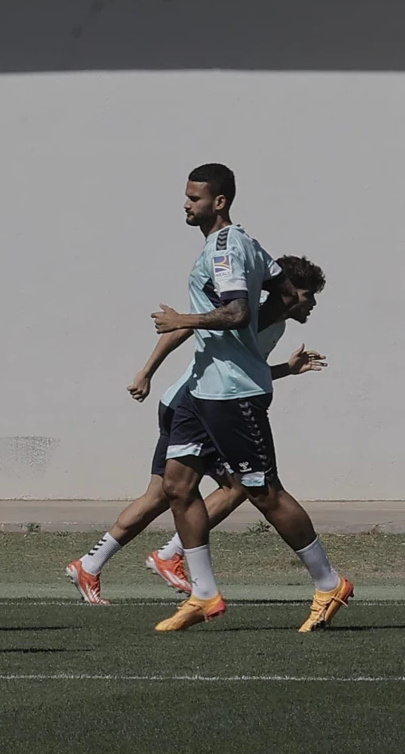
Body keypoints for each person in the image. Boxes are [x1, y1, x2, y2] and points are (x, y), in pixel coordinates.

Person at [149, 164, 352, 632]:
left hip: (232, 392)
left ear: (219, 202)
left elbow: (239, 311)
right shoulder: (247, 243)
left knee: (262, 491)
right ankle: (203, 594)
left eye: (195, 198)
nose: (186, 204)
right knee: (178, 486)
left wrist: (188, 319)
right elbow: (281, 283)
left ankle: (329, 582)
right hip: (202, 389)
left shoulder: (225, 248)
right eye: (186, 196)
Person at [66, 255, 328, 603]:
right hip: (193, 407)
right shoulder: (248, 310)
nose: (313, 303)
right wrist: (146, 372)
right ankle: (167, 555)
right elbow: (187, 328)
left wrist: (286, 370)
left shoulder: (275, 326)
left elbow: (245, 373)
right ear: (289, 291)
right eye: (309, 294)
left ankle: (93, 563)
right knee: (239, 486)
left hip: (201, 407)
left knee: (165, 495)